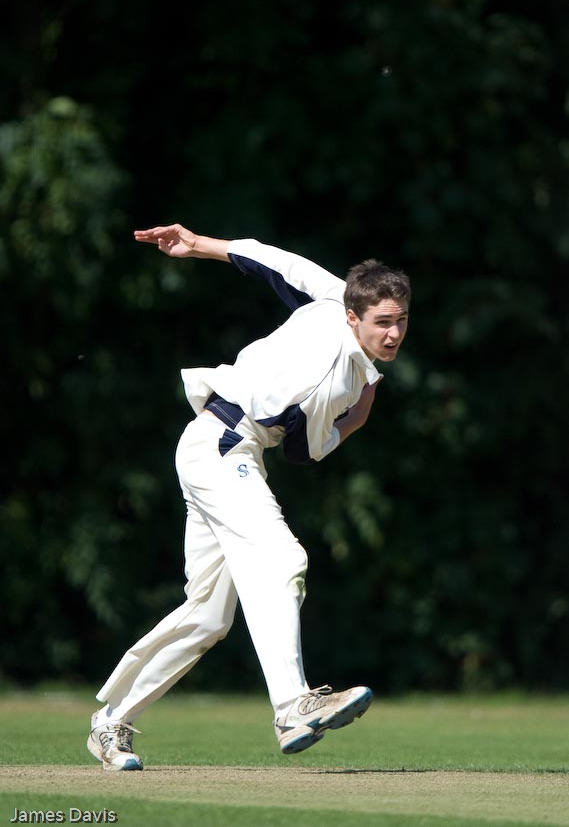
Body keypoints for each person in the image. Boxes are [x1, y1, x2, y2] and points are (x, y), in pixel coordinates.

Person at [87, 223, 411, 772]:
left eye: (401, 320)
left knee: (208, 617)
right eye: (383, 322)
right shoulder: (340, 380)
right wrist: (356, 419)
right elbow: (303, 452)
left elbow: (270, 260)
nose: (394, 332)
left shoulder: (333, 297)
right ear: (354, 317)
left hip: (211, 446)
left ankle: (110, 721)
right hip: (223, 450)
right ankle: (292, 706)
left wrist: (199, 245)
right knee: (283, 559)